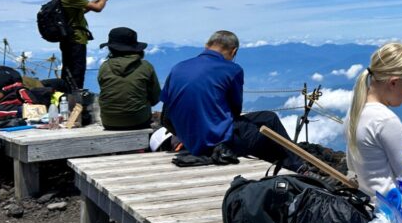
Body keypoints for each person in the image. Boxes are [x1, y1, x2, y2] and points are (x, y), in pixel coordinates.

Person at [160, 30, 303, 168]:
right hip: (218, 142)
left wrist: (190, 136)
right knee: (270, 128)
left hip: (190, 140)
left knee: (267, 117)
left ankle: (296, 162)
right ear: (234, 51)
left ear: (206, 46)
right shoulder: (232, 69)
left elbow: (165, 117)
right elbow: (235, 110)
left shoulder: (177, 68)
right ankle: (300, 166)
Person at [344, 42, 402, 197]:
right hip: (390, 209)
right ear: (394, 82)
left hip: (365, 202)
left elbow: (354, 168)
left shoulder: (354, 112)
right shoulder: (386, 120)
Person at [96, 27, 161, 130]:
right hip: (138, 121)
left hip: (109, 122)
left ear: (111, 48)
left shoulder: (104, 67)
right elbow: (156, 98)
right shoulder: (146, 66)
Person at [58, 0, 109, 90]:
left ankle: (66, 99)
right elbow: (98, 9)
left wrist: (96, 0)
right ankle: (74, 103)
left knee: (68, 72)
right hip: (76, 39)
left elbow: (80, 10)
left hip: (67, 39)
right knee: (77, 73)